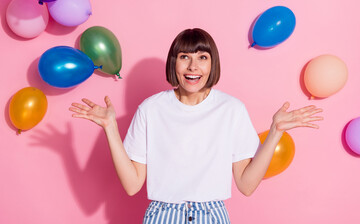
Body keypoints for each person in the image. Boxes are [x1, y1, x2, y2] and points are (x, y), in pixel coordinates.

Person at [69, 28, 323, 223]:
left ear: (213, 64)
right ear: (174, 63)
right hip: (162, 215)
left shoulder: (231, 109)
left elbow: (246, 185)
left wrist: (276, 131)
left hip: (212, 215)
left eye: (202, 57)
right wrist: (110, 127)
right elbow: (132, 185)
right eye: (184, 57)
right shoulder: (151, 109)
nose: (193, 66)